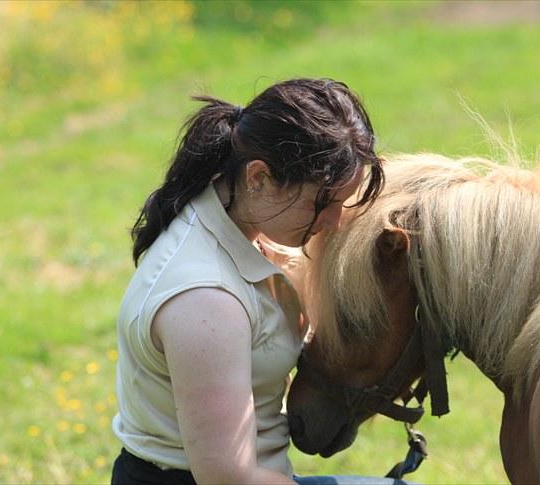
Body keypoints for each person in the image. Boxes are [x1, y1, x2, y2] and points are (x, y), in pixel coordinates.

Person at [111, 78, 403, 484]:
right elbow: (228, 477)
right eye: (323, 204)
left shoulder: (241, 225)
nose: (336, 222)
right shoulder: (205, 301)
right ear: (259, 178)